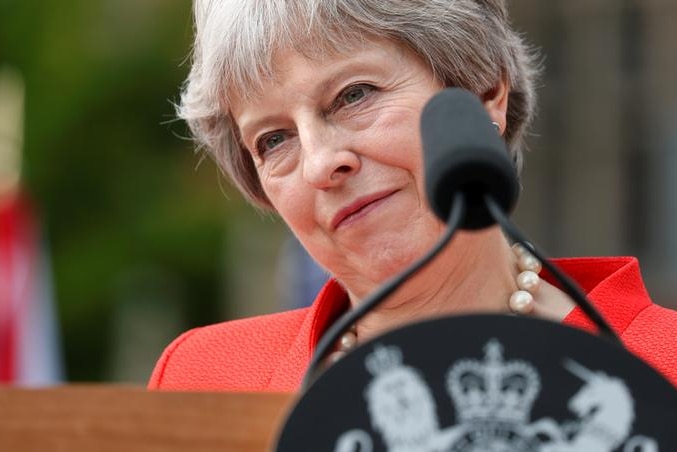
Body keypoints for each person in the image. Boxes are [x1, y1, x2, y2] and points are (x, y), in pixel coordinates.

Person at [149, 0, 677, 392]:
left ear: (483, 91)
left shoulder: (663, 364)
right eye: (274, 140)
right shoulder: (202, 379)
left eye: (353, 95)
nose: (319, 164)